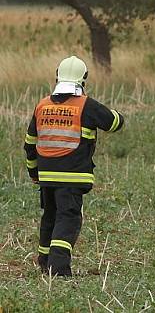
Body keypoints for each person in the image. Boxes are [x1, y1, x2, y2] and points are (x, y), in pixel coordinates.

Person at [23, 55, 125, 276]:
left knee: (50, 216)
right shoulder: (86, 105)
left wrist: (34, 173)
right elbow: (114, 122)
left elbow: (30, 144)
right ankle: (58, 271)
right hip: (72, 178)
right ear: (84, 79)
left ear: (57, 76)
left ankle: (44, 262)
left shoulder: (42, 105)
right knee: (67, 219)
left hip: (46, 177)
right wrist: (118, 115)